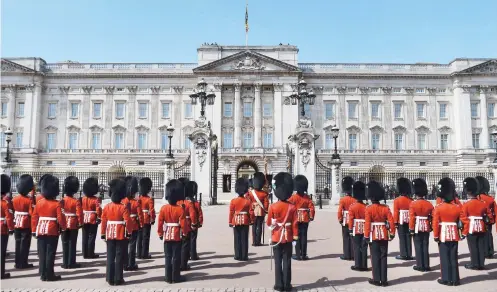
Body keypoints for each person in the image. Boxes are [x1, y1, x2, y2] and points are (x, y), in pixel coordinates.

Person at [267, 172, 298, 292]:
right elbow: (295, 223)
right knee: (287, 261)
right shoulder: (292, 207)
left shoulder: (273, 207)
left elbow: (269, 223)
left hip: (276, 236)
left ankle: (278, 284)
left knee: (277, 262)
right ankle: (287, 284)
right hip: (288, 236)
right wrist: (295, 237)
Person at [31, 174, 66, 281]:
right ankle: (49, 275)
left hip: (40, 230)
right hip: (52, 230)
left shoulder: (39, 203)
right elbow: (60, 218)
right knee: (50, 253)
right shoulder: (56, 204)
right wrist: (63, 227)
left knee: (42, 253)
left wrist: (33, 230)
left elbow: (34, 218)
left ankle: (42, 273)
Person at [101, 179, 132, 286]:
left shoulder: (107, 207)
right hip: (120, 233)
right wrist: (129, 232)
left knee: (110, 256)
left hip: (109, 233)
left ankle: (109, 277)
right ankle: (118, 278)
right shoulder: (123, 207)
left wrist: (102, 233)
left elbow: (104, 221)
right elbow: (127, 221)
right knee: (118, 256)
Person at [364, 180, 395, 287]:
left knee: (375, 257)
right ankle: (384, 280)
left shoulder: (369, 209)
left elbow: (367, 224)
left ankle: (377, 279)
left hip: (373, 234)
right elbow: (391, 221)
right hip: (384, 234)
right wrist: (392, 233)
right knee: (384, 256)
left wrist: (366, 236)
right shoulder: (385, 208)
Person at [432, 177, 461, 286]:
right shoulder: (457, 207)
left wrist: (435, 235)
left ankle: (446, 278)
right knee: (453, 257)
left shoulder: (439, 208)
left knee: (444, 257)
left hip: (443, 234)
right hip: (454, 234)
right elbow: (461, 221)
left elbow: (435, 223)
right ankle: (455, 279)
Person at [158, 179, 187, 283]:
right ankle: (176, 276)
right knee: (176, 257)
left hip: (167, 235)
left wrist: (160, 233)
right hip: (176, 235)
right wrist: (184, 233)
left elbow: (160, 223)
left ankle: (168, 277)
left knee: (167, 256)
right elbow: (183, 224)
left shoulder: (163, 208)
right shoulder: (180, 209)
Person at [460, 177, 492, 270]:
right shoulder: (483, 203)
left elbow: (464, 219)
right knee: (480, 246)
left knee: (473, 246)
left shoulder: (466, 205)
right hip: (481, 226)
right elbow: (489, 216)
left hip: (471, 227)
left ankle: (474, 264)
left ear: (468, 192)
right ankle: (481, 264)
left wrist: (464, 232)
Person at [408, 178, 434, 272]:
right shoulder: (429, 204)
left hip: (416, 227)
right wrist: (431, 226)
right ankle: (426, 265)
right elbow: (432, 216)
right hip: (426, 226)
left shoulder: (413, 204)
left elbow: (412, 218)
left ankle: (420, 265)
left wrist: (411, 228)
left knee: (418, 245)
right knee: (425, 245)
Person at [288, 175, 315, 261]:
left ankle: (297, 254)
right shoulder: (307, 197)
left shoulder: (293, 197)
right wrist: (311, 216)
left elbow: (289, 207)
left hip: (295, 218)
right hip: (305, 218)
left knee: (295, 236)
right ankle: (304, 254)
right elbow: (311, 208)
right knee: (304, 237)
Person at [12, 174, 35, 269]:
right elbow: (31, 213)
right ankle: (23, 263)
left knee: (17, 244)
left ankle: (17, 262)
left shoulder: (14, 199)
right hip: (25, 224)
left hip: (16, 223)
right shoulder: (28, 200)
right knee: (25, 244)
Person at [61, 176, 83, 269]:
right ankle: (71, 262)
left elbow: (60, 212)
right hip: (73, 223)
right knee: (72, 243)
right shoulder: (76, 201)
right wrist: (80, 223)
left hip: (64, 223)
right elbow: (79, 214)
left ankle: (65, 262)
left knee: (64, 243)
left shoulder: (62, 200)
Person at [229, 178, 254, 261]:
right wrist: (252, 220)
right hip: (245, 220)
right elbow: (251, 212)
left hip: (235, 220)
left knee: (237, 239)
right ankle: (244, 256)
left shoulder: (233, 201)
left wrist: (230, 222)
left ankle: (237, 255)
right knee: (244, 239)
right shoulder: (248, 201)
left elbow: (231, 212)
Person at [121, 177, 142, 271]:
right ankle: (131, 263)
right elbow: (140, 215)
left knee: (124, 246)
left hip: (124, 225)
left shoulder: (123, 201)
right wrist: (141, 224)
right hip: (134, 225)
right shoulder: (136, 202)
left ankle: (124, 264)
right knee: (132, 246)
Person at [177, 178, 197, 271]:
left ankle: (178, 264)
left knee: (178, 246)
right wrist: (194, 224)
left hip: (177, 227)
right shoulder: (188, 203)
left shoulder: (177, 203)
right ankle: (183, 264)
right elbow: (193, 215)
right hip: (187, 226)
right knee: (185, 245)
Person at [348, 181, 368, 271]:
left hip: (356, 227)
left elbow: (351, 219)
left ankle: (357, 265)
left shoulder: (352, 207)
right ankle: (364, 265)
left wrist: (350, 229)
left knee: (356, 246)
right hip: (364, 227)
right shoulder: (366, 206)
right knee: (364, 247)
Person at [246, 172, 269, 247]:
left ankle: (254, 241)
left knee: (254, 226)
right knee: (259, 226)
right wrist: (266, 210)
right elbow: (266, 203)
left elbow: (248, 201)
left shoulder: (250, 193)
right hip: (261, 211)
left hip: (253, 210)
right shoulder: (264, 194)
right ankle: (258, 241)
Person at [393, 177, 414, 260]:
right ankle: (409, 254)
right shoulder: (411, 200)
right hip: (409, 220)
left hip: (400, 221)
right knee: (408, 237)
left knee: (402, 237)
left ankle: (403, 254)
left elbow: (396, 212)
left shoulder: (397, 200)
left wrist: (395, 222)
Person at [475, 176, 495, 259]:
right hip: (489, 220)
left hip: (479, 220)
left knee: (481, 236)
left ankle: (484, 252)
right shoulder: (490, 199)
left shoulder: (477, 198)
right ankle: (490, 251)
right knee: (489, 234)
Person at [81, 177, 101, 259]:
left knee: (84, 236)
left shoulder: (83, 198)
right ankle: (90, 253)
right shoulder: (96, 199)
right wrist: (99, 217)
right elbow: (98, 209)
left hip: (84, 217)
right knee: (92, 236)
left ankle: (85, 253)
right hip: (93, 218)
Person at [338, 176, 356, 261]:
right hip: (354, 220)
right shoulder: (355, 199)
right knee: (353, 237)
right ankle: (353, 254)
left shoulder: (343, 199)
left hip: (345, 220)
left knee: (345, 237)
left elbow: (340, 211)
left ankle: (346, 255)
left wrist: (340, 219)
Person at [137, 177, 155, 259]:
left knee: (139, 237)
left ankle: (139, 253)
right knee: (146, 237)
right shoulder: (149, 199)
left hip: (139, 218)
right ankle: (145, 253)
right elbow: (151, 210)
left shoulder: (138, 199)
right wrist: (153, 219)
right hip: (146, 219)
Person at [1, 174, 15, 279]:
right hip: (2, 228)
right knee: (1, 252)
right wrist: (11, 228)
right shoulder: (5, 203)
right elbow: (9, 217)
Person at [186, 181, 203, 261]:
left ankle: (186, 254)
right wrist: (199, 222)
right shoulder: (196, 203)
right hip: (193, 223)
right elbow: (199, 213)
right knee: (193, 239)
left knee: (186, 240)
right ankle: (193, 255)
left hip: (185, 223)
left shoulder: (184, 202)